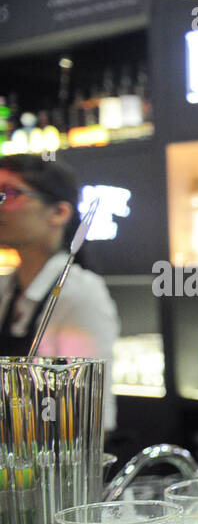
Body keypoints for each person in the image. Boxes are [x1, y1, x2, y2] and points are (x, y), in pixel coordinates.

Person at [0, 155, 119, 432]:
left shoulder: (79, 293)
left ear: (59, 213)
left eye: (11, 193)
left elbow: (90, 415)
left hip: (51, 465)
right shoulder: (6, 288)